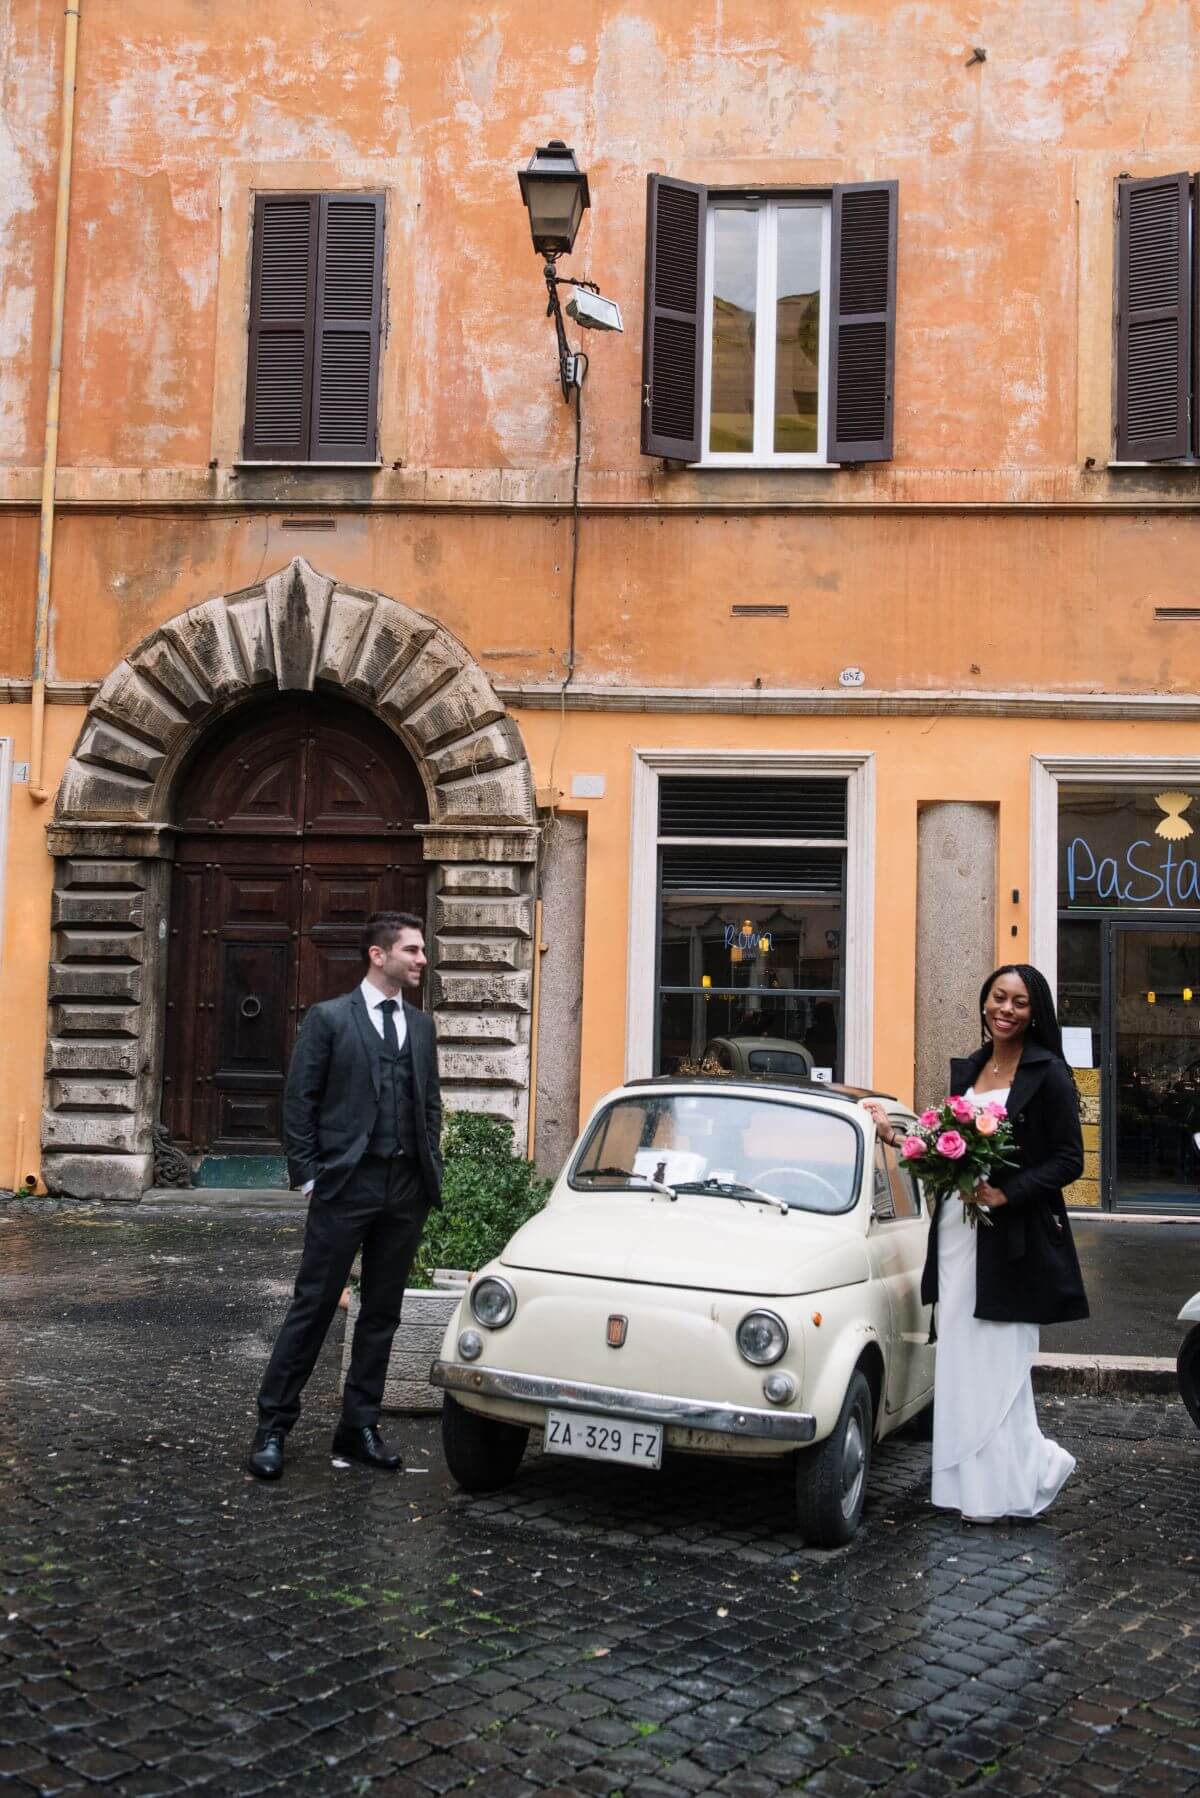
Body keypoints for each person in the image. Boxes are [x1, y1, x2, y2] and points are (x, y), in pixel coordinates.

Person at [865, 963, 1088, 1525]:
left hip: (1011, 1238)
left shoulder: (1049, 1073)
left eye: (1019, 1002)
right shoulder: (970, 1067)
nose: (1006, 1009)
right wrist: (895, 1135)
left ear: (1034, 1012)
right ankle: (966, 1486)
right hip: (956, 1232)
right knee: (962, 1353)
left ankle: (1012, 1482)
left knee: (998, 1356)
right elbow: (944, 1144)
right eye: (998, 998)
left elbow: (1070, 1160)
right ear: (985, 1002)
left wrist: (1007, 1193)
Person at [246, 911, 443, 1481]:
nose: (422, 959)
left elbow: (429, 1103)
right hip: (346, 1185)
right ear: (379, 956)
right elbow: (300, 1101)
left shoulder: (421, 1026)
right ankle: (273, 1427)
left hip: (405, 1188)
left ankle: (359, 1427)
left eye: (421, 950)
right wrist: (310, 1176)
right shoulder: (330, 1018)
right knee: (312, 1308)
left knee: (381, 1312)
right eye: (412, 950)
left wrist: (429, 1169)